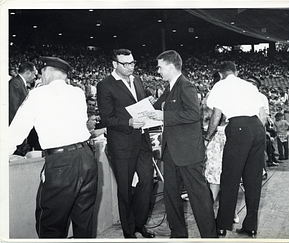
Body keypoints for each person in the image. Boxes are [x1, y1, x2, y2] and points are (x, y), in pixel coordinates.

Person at [9, 56, 98, 238]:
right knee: (84, 223)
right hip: (87, 158)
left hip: (61, 164)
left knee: (50, 224)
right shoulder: (77, 93)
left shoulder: (38, 94)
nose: (40, 79)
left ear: (47, 72)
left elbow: (16, 132)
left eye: (41, 74)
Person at [149, 50, 217, 238]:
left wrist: (164, 115)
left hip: (188, 152)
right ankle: (178, 234)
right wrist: (145, 107)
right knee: (171, 196)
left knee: (198, 197)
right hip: (171, 151)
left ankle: (209, 236)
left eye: (160, 67)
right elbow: (155, 109)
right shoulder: (169, 88)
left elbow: (193, 114)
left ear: (170, 67)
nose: (158, 71)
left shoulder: (186, 86)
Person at [97, 49, 155, 239]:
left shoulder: (137, 80)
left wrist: (148, 104)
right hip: (122, 144)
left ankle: (139, 224)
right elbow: (106, 118)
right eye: (126, 64)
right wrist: (127, 123)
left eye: (132, 63)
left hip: (142, 141)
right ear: (115, 64)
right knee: (125, 189)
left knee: (147, 182)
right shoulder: (105, 85)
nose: (130, 67)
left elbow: (137, 106)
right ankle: (129, 232)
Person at [205, 61, 266, 238]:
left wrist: (208, 137)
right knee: (253, 179)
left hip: (238, 127)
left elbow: (216, 115)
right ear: (236, 71)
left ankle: (222, 225)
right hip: (256, 128)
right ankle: (251, 227)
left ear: (221, 73)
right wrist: (255, 132)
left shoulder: (220, 85)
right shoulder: (249, 86)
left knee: (230, 178)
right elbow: (262, 115)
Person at [201, 71, 239, 223]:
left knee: (217, 177)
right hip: (220, 136)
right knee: (220, 176)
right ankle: (215, 212)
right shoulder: (213, 97)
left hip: (219, 137)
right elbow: (210, 119)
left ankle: (223, 212)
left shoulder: (210, 97)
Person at [9, 61, 38, 156]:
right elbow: (13, 109)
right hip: (17, 129)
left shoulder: (20, 83)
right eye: (34, 74)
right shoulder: (15, 84)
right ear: (28, 73)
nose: (35, 77)